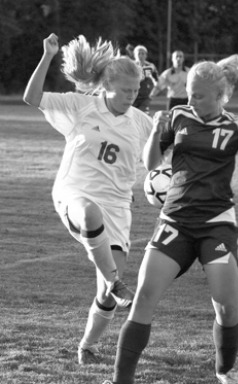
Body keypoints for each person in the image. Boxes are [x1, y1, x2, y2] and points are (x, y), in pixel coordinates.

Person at [103, 54, 238, 384]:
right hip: (174, 222)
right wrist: (157, 131)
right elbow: (151, 162)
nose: (191, 100)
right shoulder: (178, 116)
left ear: (220, 96)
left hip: (217, 225)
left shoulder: (236, 127)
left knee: (225, 307)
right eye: (189, 93)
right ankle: (120, 382)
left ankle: (224, 371)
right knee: (144, 298)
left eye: (199, 95)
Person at [23, 33, 153, 365]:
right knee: (90, 213)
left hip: (118, 208)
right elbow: (31, 96)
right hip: (73, 195)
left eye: (136, 91)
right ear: (107, 86)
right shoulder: (81, 106)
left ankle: (88, 346)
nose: (131, 96)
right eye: (126, 90)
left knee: (105, 298)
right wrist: (47, 56)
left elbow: (160, 158)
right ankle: (116, 283)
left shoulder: (141, 123)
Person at [132, 45, 158, 114]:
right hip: (132, 94)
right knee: (132, 114)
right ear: (135, 55)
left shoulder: (150, 66)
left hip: (145, 96)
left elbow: (157, 80)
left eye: (143, 53)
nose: (140, 55)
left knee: (142, 114)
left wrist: (154, 91)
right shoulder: (131, 65)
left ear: (146, 55)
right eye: (139, 53)